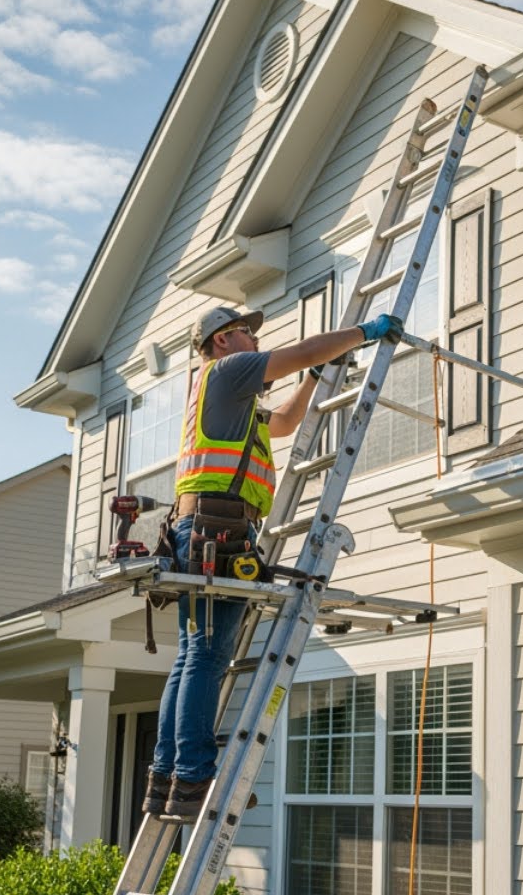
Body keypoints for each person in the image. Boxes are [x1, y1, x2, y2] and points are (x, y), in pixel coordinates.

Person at [145, 303, 403, 819]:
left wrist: (310, 381)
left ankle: (167, 777)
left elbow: (283, 423)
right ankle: (194, 777)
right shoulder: (226, 370)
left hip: (202, 530)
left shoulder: (230, 400)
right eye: (246, 333)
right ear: (221, 341)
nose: (255, 342)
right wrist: (362, 334)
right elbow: (302, 350)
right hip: (216, 531)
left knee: (191, 656)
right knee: (206, 657)